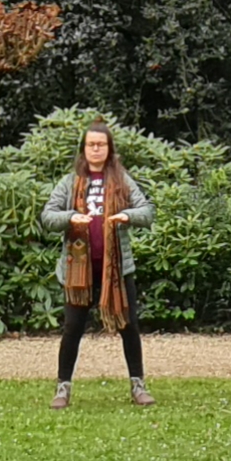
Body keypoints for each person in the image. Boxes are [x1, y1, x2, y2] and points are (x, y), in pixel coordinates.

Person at [43, 123, 154, 408]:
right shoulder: (69, 182)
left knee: (129, 326)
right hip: (78, 271)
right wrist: (70, 217)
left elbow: (147, 211)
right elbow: (48, 217)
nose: (95, 149)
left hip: (116, 270)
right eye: (91, 144)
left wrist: (127, 216)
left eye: (100, 145)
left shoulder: (122, 180)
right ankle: (62, 389)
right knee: (72, 329)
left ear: (109, 148)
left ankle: (138, 386)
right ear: (83, 149)